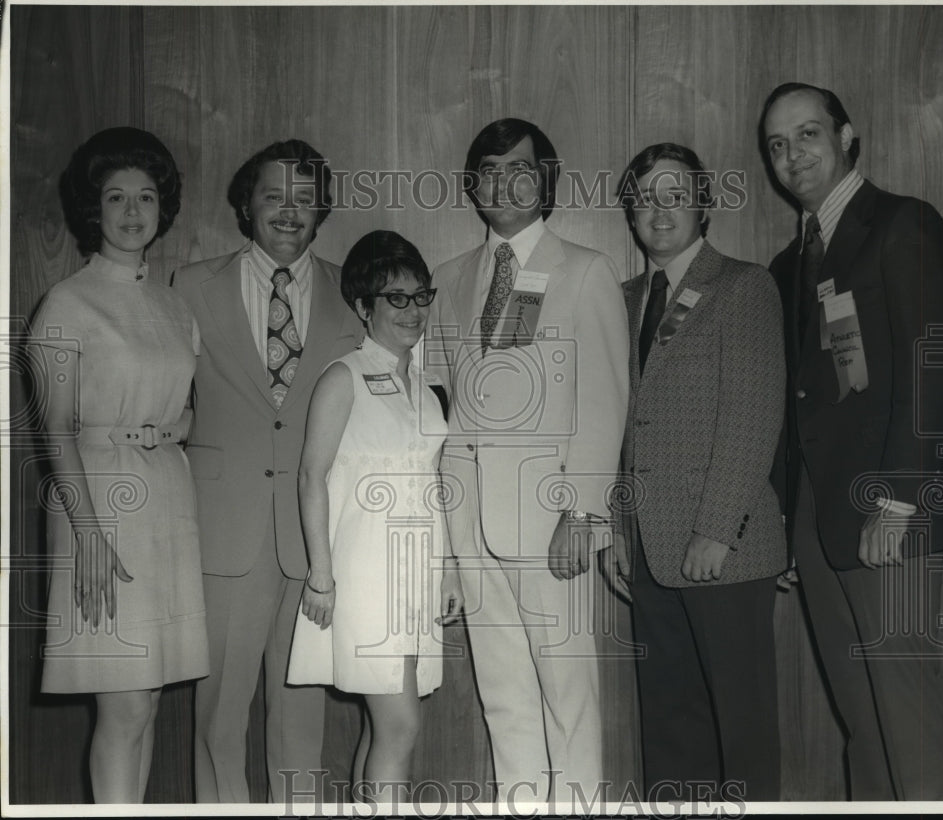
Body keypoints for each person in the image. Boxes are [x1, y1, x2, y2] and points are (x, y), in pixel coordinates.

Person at [762, 82, 943, 800]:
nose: (792, 154)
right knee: (864, 719)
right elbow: (802, 402)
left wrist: (902, 501)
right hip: (822, 528)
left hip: (892, 514)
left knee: (906, 711)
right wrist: (792, 523)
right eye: (777, 144)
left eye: (808, 134)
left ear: (849, 138)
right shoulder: (790, 265)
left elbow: (931, 363)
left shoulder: (902, 225)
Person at [424, 118, 629, 803]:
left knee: (567, 693)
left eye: (519, 168)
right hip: (471, 522)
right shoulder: (450, 280)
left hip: (549, 525)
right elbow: (442, 408)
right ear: (472, 186)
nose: (503, 183)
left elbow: (603, 399)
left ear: (545, 178)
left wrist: (586, 513)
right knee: (504, 696)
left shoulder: (583, 270)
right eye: (488, 170)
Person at [171, 139, 364, 803]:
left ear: (323, 212)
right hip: (224, 535)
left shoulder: (354, 293)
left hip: (318, 543)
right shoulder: (191, 286)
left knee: (301, 720)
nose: (290, 211)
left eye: (305, 199)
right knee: (218, 716)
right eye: (275, 195)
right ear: (246, 205)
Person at [602, 143, 786, 801]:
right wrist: (619, 529)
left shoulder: (743, 284)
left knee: (742, 730)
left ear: (702, 204)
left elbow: (752, 416)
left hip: (723, 552)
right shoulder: (620, 299)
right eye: (645, 196)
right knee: (671, 726)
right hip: (650, 549)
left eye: (674, 194)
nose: (659, 209)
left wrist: (716, 529)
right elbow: (620, 429)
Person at [31, 127, 208, 802]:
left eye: (145, 196)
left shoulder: (170, 302)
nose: (133, 212)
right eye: (116, 198)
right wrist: (88, 536)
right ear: (93, 210)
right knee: (124, 706)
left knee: (150, 703)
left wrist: (174, 426)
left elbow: (186, 404)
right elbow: (54, 433)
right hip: (103, 507)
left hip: (167, 496)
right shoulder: (68, 304)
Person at [286, 230, 464, 803]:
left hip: (416, 570)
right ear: (364, 307)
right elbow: (312, 477)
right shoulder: (343, 377)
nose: (413, 311)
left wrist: (449, 570)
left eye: (420, 296)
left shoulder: (425, 384)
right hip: (367, 575)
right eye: (395, 298)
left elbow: (433, 482)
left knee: (384, 724)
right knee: (401, 724)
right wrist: (321, 575)